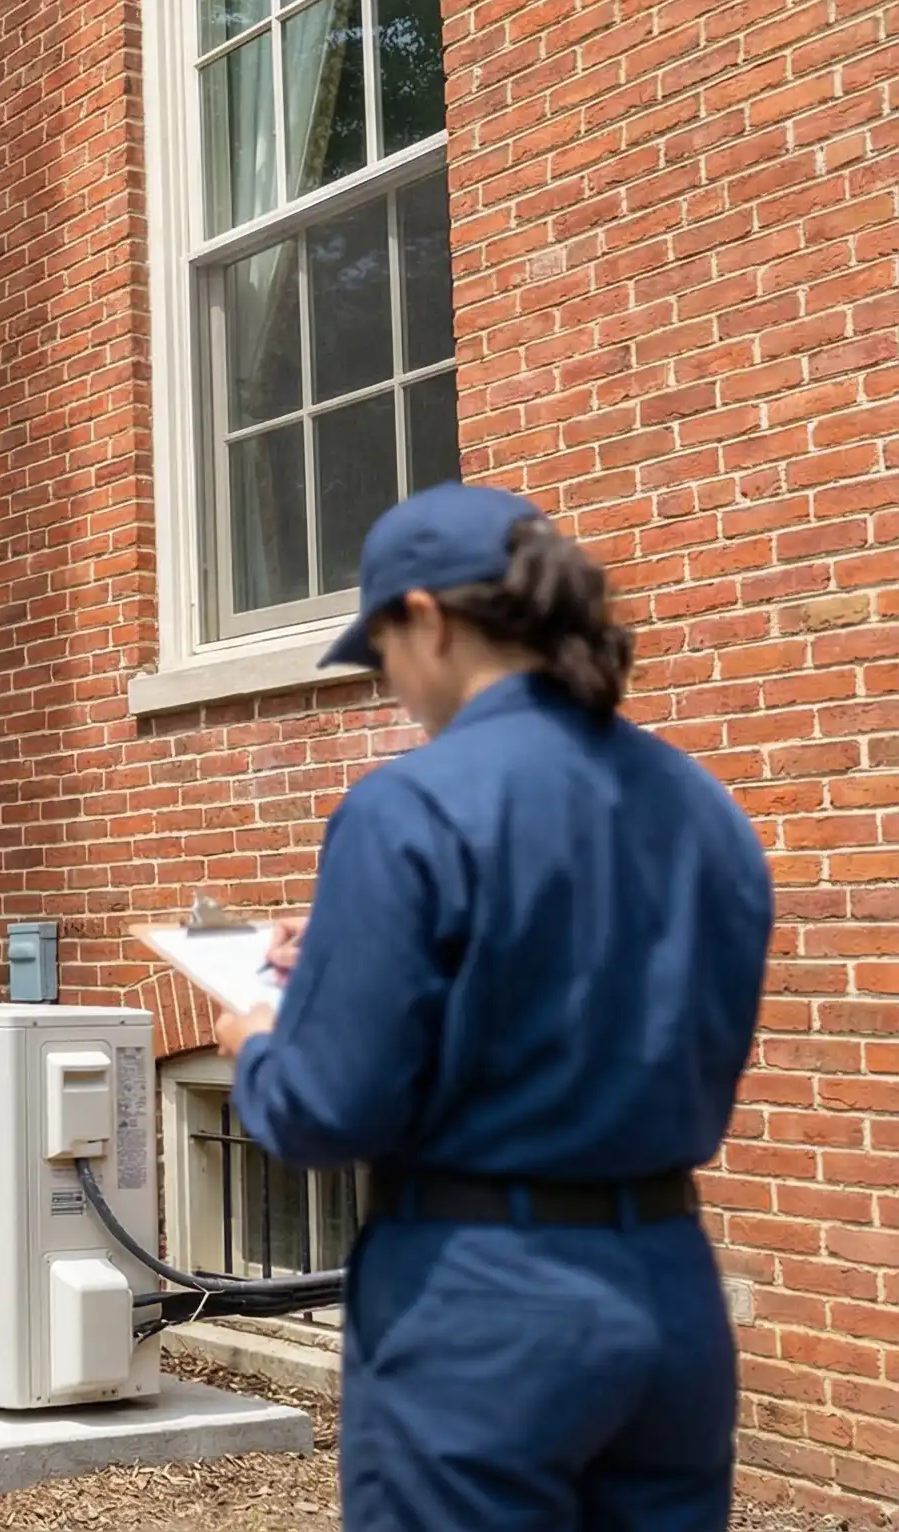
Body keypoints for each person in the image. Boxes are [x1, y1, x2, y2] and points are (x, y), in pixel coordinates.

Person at [211, 483, 773, 1531]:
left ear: (424, 617)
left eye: (381, 657)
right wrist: (351, 947)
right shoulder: (704, 806)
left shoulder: (410, 806)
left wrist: (257, 1045)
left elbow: (330, 1108)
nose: (392, 691)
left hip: (482, 1304)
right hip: (670, 1294)